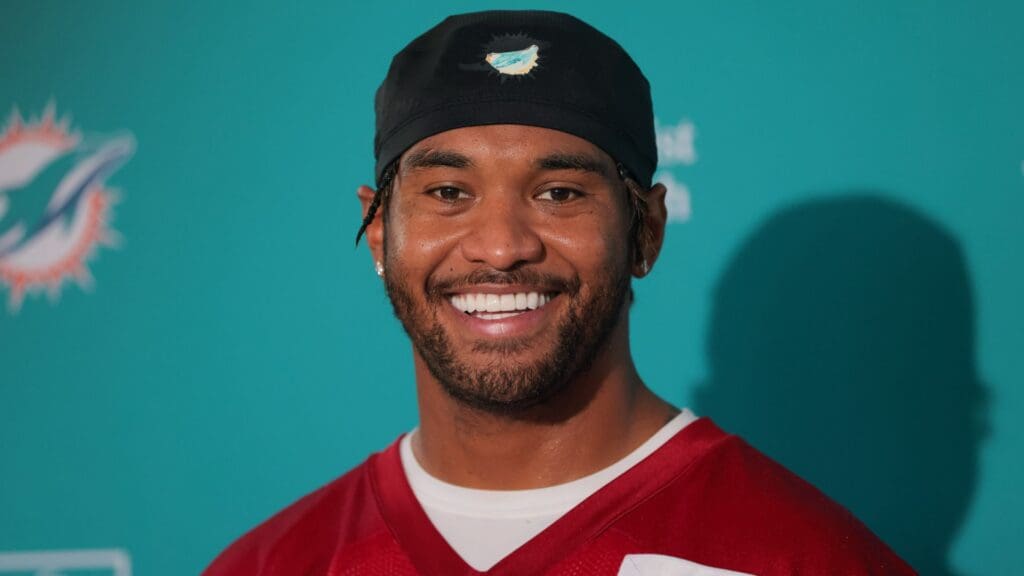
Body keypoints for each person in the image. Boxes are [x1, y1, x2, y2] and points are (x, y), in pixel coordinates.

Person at [203, 10, 916, 575]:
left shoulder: (803, 560)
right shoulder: (271, 565)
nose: (502, 245)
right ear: (380, 230)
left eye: (560, 192)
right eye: (449, 192)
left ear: (646, 232)